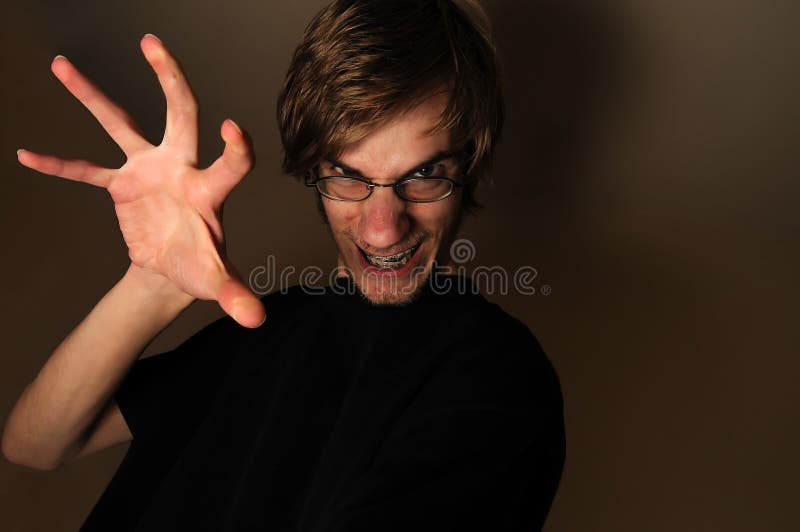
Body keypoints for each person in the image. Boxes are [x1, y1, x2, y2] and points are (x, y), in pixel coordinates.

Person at [2, 1, 565, 530]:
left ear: (469, 165)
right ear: (313, 172)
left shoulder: (497, 373)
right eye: (348, 176)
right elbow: (35, 443)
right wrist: (151, 282)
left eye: (423, 175)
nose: (382, 226)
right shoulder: (265, 328)